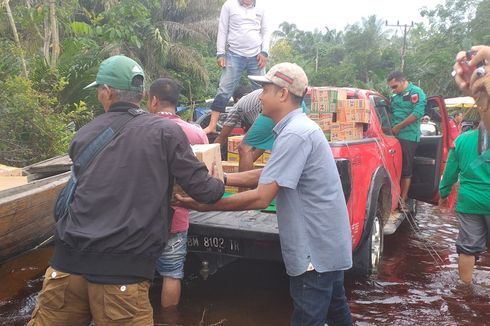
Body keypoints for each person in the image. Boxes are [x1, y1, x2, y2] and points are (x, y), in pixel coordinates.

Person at [28, 55, 224, 325]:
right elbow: (207, 192)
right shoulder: (164, 132)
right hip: (121, 276)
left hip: (64, 269)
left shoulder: (84, 135)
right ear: (143, 94)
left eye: (99, 90)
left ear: (106, 92)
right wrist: (217, 179)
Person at [177, 62, 353, 326]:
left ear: (283, 94)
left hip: (313, 252)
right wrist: (223, 179)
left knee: (309, 319)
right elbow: (271, 174)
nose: (260, 96)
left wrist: (205, 205)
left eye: (266, 89)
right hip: (327, 245)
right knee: (337, 314)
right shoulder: (298, 128)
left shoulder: (295, 134)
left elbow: (262, 196)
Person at [147, 78, 208, 308]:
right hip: (178, 214)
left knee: (138, 272)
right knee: (172, 274)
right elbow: (204, 173)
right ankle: (169, 321)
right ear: (176, 102)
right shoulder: (195, 132)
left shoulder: (140, 129)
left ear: (153, 100)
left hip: (142, 215)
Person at [439, 45, 490, 285]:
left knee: (468, 248)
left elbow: (450, 173)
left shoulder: (463, 141)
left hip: (470, 201)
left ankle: (466, 288)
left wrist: (442, 193)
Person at [203, 0, 270, 135]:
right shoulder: (229, 5)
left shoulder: (262, 7)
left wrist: (264, 52)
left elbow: (266, 31)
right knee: (224, 90)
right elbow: (223, 30)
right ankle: (212, 125)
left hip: (256, 55)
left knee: (264, 91)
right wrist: (220, 53)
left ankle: (264, 127)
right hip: (234, 54)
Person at [387, 71, 427, 212]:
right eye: (391, 87)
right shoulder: (395, 96)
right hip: (392, 137)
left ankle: (403, 201)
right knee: (394, 168)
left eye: (395, 86)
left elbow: (417, 114)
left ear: (403, 81)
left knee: (405, 170)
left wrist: (398, 127)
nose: (393, 89)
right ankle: (393, 198)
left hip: (408, 137)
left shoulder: (416, 93)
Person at [214, 89, 274, 171]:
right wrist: (248, 161)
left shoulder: (238, 107)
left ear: (236, 100)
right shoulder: (252, 100)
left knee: (244, 147)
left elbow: (221, 137)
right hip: (281, 100)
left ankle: (244, 182)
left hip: (267, 103)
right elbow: (264, 141)